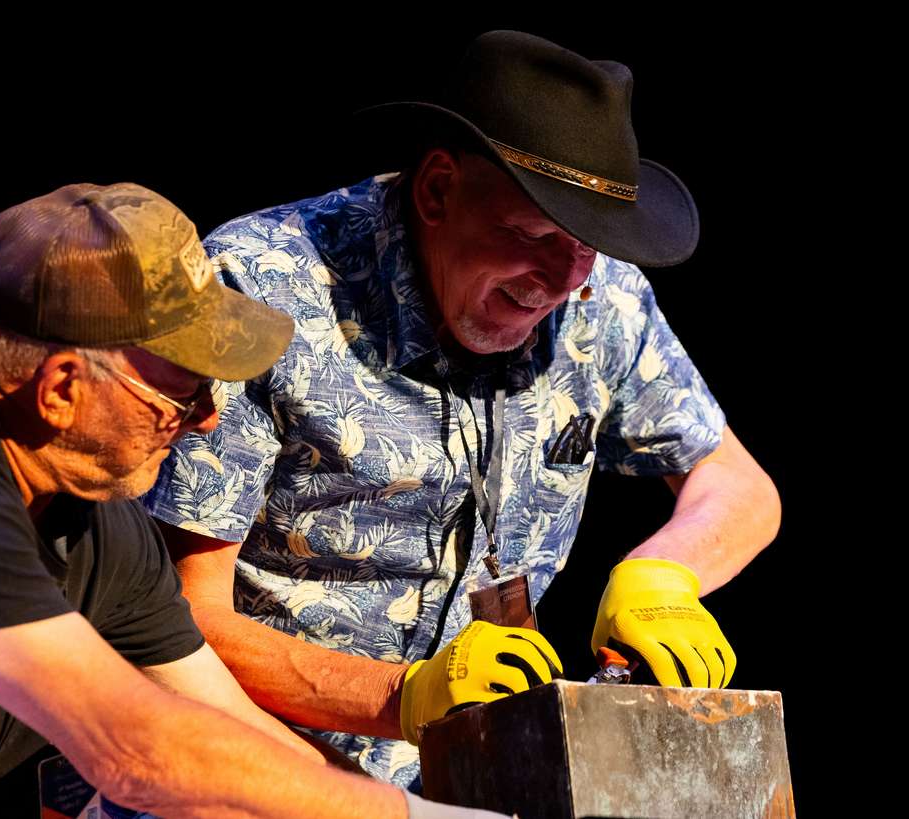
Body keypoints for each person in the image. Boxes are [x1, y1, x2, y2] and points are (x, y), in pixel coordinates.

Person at [0, 183, 503, 818]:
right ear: (64, 386)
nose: (210, 418)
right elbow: (135, 749)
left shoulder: (99, 521)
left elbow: (221, 727)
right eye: (183, 395)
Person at [145, 30, 782, 786]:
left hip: (476, 776)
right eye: (535, 234)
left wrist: (663, 572)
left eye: (586, 247)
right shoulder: (261, 288)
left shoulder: (600, 296)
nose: (558, 281)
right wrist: (402, 695)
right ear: (439, 188)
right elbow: (169, 623)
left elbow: (739, 486)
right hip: (246, 764)